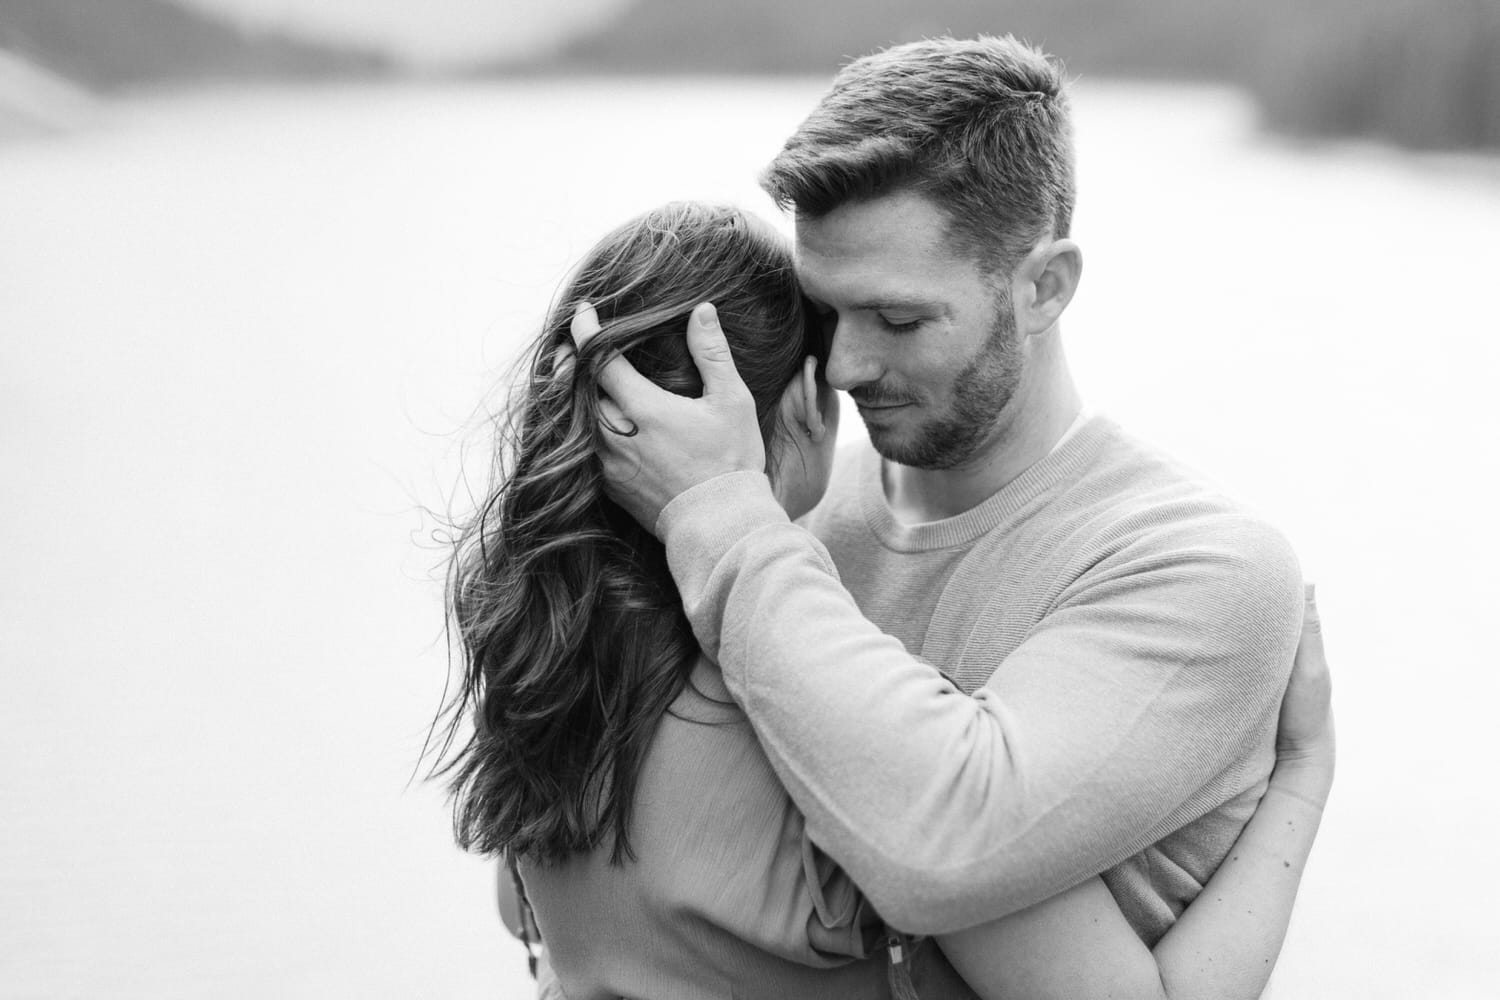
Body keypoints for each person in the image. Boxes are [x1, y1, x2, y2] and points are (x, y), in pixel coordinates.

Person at [435, 200, 1335, 999]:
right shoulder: (845, 742)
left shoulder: (546, 676)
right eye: (831, 347)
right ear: (793, 405)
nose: (852, 375)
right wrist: (1301, 780)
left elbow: (534, 923)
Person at [578, 34, 1315, 972]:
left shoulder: (1199, 567)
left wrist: (721, 519)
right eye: (825, 313)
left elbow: (944, 853)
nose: (842, 368)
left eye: (897, 320)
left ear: (1045, 286)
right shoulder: (784, 507)